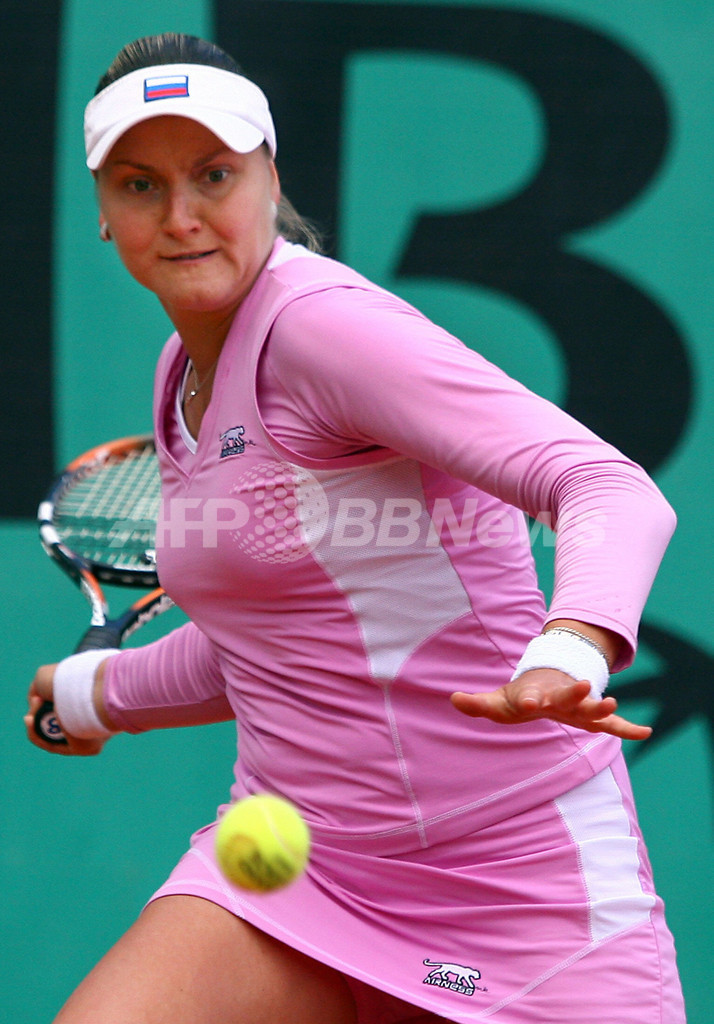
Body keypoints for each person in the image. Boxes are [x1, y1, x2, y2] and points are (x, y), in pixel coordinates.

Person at [26, 32, 686, 1024]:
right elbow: (273, 642)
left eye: (214, 175)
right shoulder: (182, 372)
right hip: (298, 862)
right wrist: (97, 692)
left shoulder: (325, 329)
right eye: (140, 185)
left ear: (270, 178)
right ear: (105, 216)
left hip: (515, 879)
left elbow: (606, 486)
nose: (182, 216)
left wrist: (571, 647)